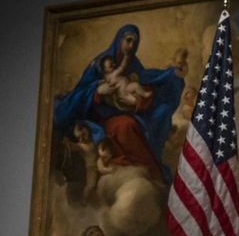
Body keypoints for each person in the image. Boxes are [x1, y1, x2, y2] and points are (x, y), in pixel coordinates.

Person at [53, 24, 185, 183]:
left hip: (128, 112)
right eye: (128, 40)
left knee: (138, 121)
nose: (131, 46)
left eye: (134, 43)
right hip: (100, 119)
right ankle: (150, 170)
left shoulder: (131, 63)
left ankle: (148, 171)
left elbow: (148, 79)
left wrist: (171, 74)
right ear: (119, 39)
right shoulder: (99, 64)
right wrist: (97, 92)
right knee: (125, 126)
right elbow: (80, 92)